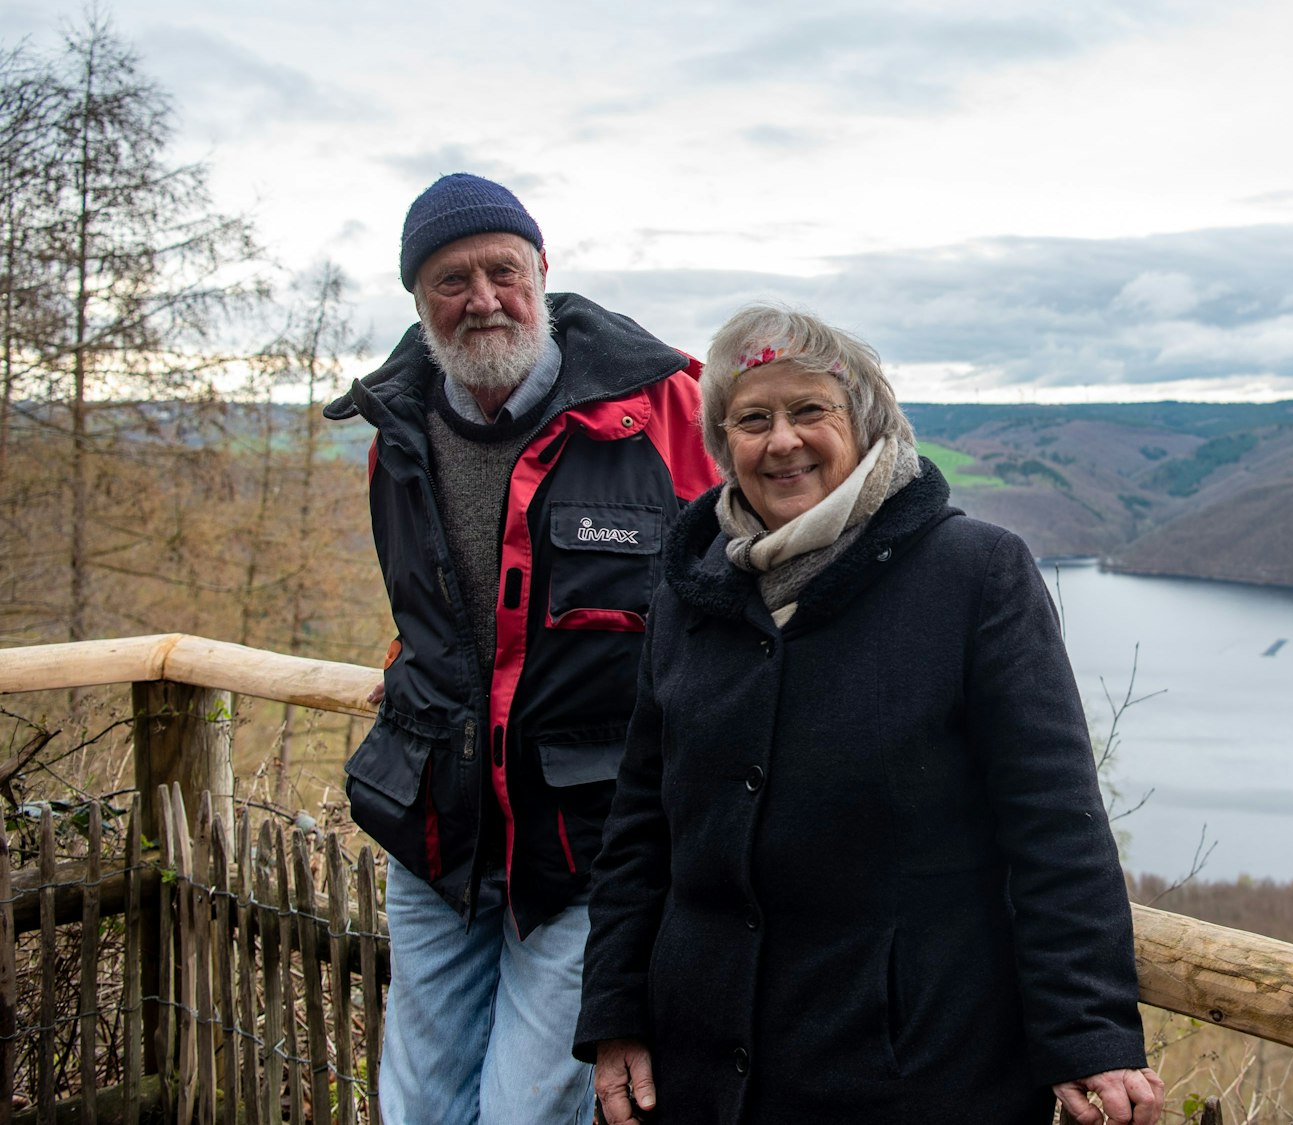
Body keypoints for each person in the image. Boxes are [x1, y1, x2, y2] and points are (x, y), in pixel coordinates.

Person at [574, 304, 1164, 1125]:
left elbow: (1054, 821)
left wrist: (1089, 1031)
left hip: (910, 1066)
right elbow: (639, 821)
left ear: (865, 421)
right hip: (699, 1066)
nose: (782, 440)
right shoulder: (690, 587)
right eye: (753, 418)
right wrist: (614, 1013)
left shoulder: (974, 575)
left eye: (810, 409)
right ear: (723, 443)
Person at [325, 173, 719, 1124]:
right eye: (451, 280)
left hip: (586, 842)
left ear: (542, 269)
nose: (484, 298)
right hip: (437, 833)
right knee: (416, 1104)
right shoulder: (397, 428)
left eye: (503, 269)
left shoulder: (664, 407)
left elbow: (744, 589)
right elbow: (432, 616)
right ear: (418, 303)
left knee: (527, 1109)